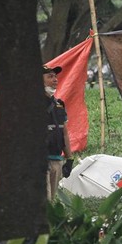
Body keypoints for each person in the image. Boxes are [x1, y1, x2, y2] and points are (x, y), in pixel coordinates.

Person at [44, 64, 73, 201]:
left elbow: (64, 133)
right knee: (45, 201)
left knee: (51, 201)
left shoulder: (59, 104)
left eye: (56, 76)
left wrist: (69, 158)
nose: (55, 79)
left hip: (56, 159)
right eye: (50, 76)